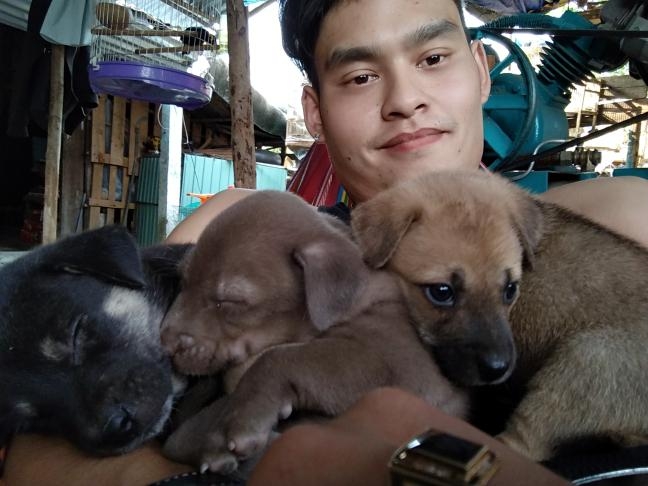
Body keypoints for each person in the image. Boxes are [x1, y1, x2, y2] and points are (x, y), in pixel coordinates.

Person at [3, 0, 648, 484]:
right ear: (313, 111)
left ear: (480, 72)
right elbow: (41, 463)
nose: (405, 100)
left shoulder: (616, 218)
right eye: (360, 76)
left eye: (432, 59)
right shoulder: (242, 231)